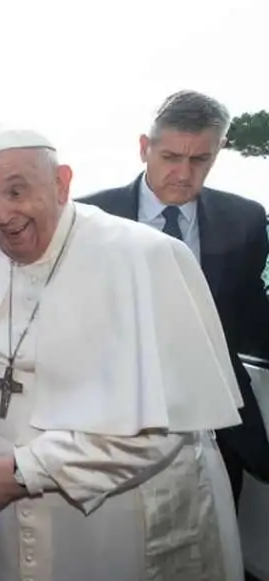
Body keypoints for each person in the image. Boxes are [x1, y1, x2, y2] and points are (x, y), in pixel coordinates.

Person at [0, 129, 253, 581]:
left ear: (62, 183)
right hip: (1, 524)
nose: (1, 215)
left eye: (17, 191)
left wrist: (20, 471)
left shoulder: (142, 257)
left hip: (111, 529)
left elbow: (159, 430)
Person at [79, 90, 269, 505]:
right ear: (145, 148)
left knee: (210, 562)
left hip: (214, 432)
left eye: (200, 159)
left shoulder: (246, 220)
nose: (184, 173)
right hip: (111, 432)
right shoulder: (87, 220)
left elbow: (252, 316)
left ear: (218, 152)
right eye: (171, 157)